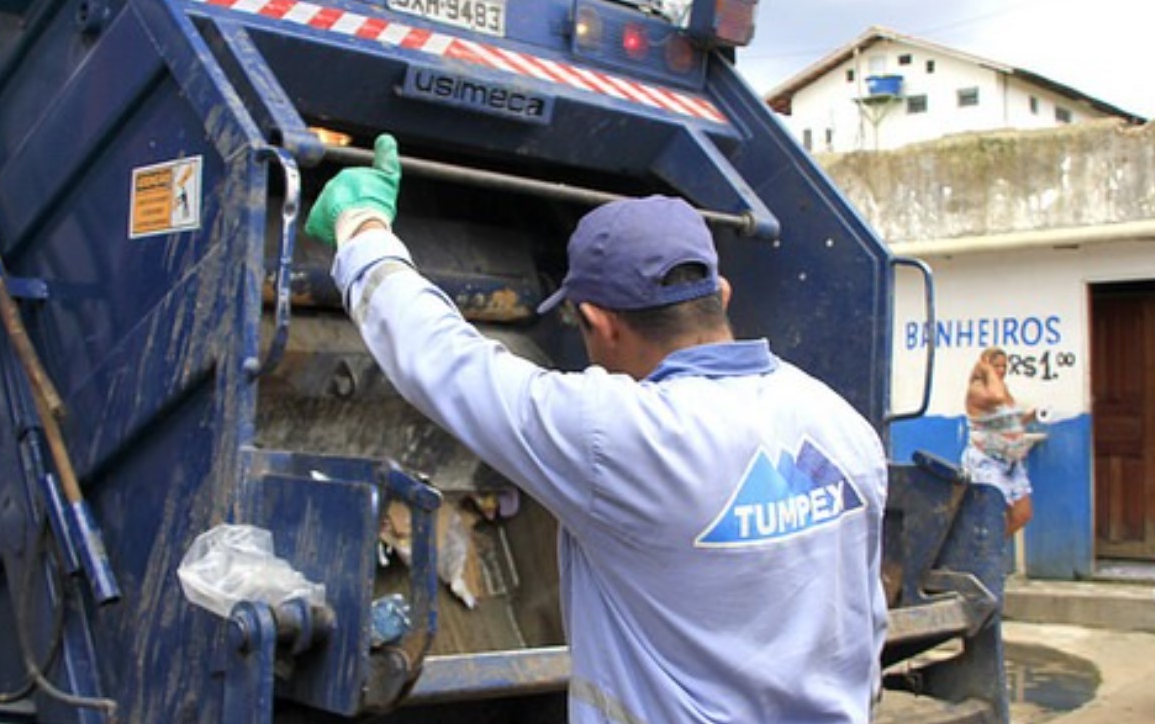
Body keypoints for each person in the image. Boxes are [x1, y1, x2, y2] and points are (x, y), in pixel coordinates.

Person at [305, 134, 888, 723]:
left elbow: (443, 360)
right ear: (721, 295)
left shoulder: (622, 437)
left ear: (597, 323)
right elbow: (865, 630)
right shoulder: (841, 424)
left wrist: (362, 225)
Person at [963, 347, 1039, 535]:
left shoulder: (1002, 388)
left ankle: (992, 546)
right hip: (987, 460)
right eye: (996, 366)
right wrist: (984, 368)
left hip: (1010, 461)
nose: (1001, 371)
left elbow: (1008, 420)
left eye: (1004, 366)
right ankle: (982, 548)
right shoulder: (977, 389)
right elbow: (996, 397)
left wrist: (1031, 416)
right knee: (992, 514)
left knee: (1022, 514)